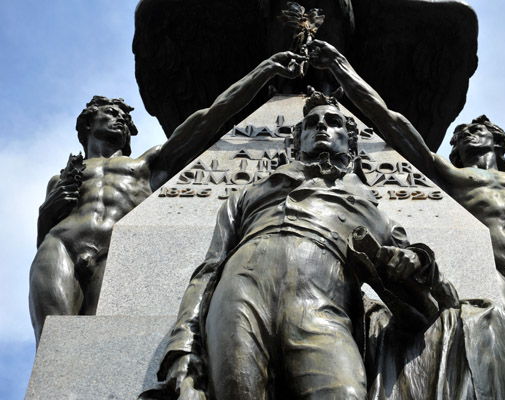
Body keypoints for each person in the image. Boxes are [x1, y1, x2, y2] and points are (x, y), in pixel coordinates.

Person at [144, 93, 505, 400]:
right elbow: (210, 267)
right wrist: (182, 344)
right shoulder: (248, 195)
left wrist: (413, 261)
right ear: (295, 140)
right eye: (312, 123)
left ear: (350, 146)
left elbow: (425, 277)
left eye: (333, 123)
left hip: (321, 305)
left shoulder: (370, 207)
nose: (321, 127)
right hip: (240, 292)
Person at [306, 39, 505, 366]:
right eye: (461, 134)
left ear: (498, 142)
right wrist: (341, 68)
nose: (467, 135)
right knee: (504, 350)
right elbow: (393, 123)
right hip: (492, 267)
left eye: (477, 130)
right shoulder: (451, 176)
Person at [28, 51, 308, 345]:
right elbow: (45, 231)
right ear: (87, 124)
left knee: (103, 344)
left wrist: (264, 71)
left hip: (116, 251)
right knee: (51, 344)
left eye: (125, 119)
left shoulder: (146, 165)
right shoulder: (61, 177)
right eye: (111, 114)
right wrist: (46, 211)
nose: (121, 121)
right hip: (61, 246)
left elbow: (210, 116)